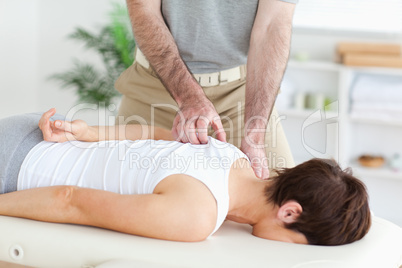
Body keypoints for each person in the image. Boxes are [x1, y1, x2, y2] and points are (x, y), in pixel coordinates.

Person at [0, 109, 371, 245]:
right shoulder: (196, 217)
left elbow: (158, 135)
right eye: (298, 244)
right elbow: (70, 200)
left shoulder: (232, 156)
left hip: (31, 132)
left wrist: (87, 133)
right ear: (289, 213)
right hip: (12, 167)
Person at [115, 0, 299, 180]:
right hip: (155, 88)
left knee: (286, 198)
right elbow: (144, 10)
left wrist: (255, 134)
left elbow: (273, 26)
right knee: (119, 188)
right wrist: (190, 97)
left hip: (240, 95)